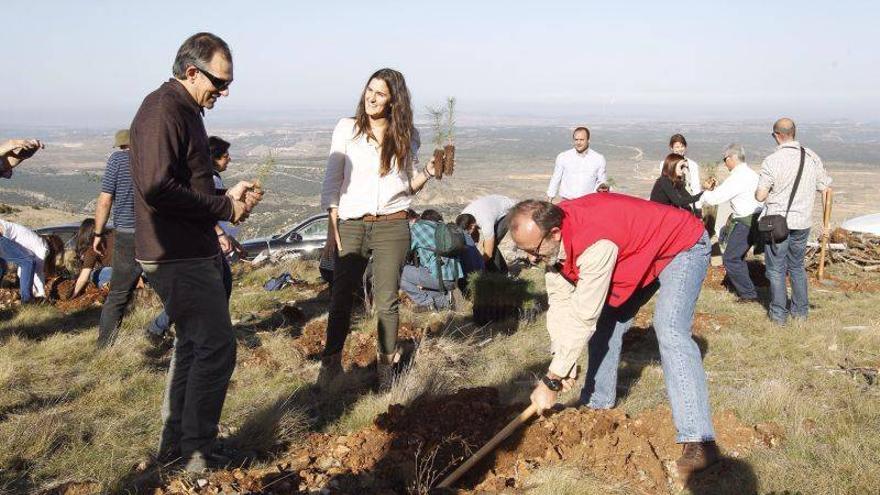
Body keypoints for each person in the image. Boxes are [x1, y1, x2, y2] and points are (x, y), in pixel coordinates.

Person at [508, 195, 718, 479]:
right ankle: (597, 405)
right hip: (642, 253)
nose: (531, 259)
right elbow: (560, 304)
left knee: (669, 330)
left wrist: (552, 380)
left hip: (681, 246)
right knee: (608, 321)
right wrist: (562, 362)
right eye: (524, 252)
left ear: (555, 232)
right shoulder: (553, 244)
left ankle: (700, 441)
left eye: (533, 250)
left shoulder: (595, 244)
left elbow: (584, 315)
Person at [130, 32, 261, 473]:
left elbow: (184, 183)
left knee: (193, 346)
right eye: (219, 83)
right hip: (177, 254)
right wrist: (224, 206)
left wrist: (227, 194)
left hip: (187, 248)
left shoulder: (183, 109)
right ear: (191, 71)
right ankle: (197, 453)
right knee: (216, 347)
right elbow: (156, 186)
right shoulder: (164, 109)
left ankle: (179, 446)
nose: (222, 93)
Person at [319, 68, 441, 390]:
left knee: (387, 301)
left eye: (380, 93)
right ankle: (330, 365)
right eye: (369, 90)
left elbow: (408, 187)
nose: (371, 97)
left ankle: (386, 370)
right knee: (341, 298)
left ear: (393, 101)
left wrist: (427, 171)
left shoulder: (408, 135)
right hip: (352, 224)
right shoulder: (347, 129)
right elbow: (332, 182)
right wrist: (332, 230)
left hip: (392, 224)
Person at [145, 136, 238, 338]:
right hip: (203, 244)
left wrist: (231, 239)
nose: (229, 160)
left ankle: (196, 329)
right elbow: (203, 210)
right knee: (206, 289)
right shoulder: (209, 180)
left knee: (208, 289)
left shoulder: (209, 178)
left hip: (207, 242)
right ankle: (167, 328)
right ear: (214, 158)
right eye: (226, 156)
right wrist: (221, 234)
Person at [755, 118, 832, 325]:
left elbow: (761, 196)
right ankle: (800, 313)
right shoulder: (811, 157)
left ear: (777, 135)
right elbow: (826, 189)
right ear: (794, 133)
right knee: (797, 267)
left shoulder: (772, 161)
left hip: (778, 224)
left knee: (776, 270)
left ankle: (779, 315)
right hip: (803, 222)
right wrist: (826, 224)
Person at [92, 129, 146, 347]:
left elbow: (105, 200)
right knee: (171, 288)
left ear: (121, 145)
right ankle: (174, 334)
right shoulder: (152, 158)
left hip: (127, 234)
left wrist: (98, 233)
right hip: (155, 233)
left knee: (118, 294)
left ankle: (105, 346)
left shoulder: (116, 160)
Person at [699, 144, 763, 302]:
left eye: (725, 159)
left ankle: (748, 294)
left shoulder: (737, 177)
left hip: (745, 222)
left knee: (731, 258)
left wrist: (704, 192)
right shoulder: (751, 174)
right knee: (737, 256)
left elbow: (716, 198)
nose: (724, 163)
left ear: (732, 158)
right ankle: (749, 289)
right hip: (757, 219)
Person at [400, 209, 464, 311]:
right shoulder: (441, 227)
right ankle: (446, 301)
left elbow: (402, 253)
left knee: (398, 273)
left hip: (440, 278)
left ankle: (427, 304)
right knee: (424, 270)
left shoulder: (416, 228)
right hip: (455, 278)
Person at [0, 220, 60, 303]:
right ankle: (30, 300)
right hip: (2, 236)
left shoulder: (36, 243)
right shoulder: (42, 246)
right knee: (28, 264)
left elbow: (26, 272)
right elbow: (38, 272)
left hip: (4, 235)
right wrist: (42, 292)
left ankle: (34, 295)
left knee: (6, 267)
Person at [547, 127, 609, 201]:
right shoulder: (563, 157)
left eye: (582, 140)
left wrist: (602, 186)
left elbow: (602, 180)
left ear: (588, 140)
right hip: (567, 202)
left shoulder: (598, 158)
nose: (578, 143)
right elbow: (555, 179)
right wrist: (549, 200)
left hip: (589, 202)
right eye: (576, 140)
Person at [461, 194, 516, 273]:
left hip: (508, 211)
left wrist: (478, 267)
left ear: (472, 226)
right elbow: (474, 238)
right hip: (492, 206)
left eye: (468, 232)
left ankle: (502, 273)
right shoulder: (463, 217)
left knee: (491, 245)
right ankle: (491, 269)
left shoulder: (485, 221)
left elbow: (488, 253)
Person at [71, 219, 114, 298]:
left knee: (93, 274)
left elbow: (84, 276)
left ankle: (107, 291)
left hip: (118, 274)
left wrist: (73, 295)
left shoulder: (92, 248)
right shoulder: (113, 233)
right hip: (138, 269)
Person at [666, 134, 703, 215]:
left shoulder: (692, 165)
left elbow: (696, 186)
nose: (680, 149)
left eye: (682, 146)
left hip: (689, 204)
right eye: (677, 147)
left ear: (685, 147)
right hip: (671, 205)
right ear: (671, 148)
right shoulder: (665, 164)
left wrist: (698, 207)